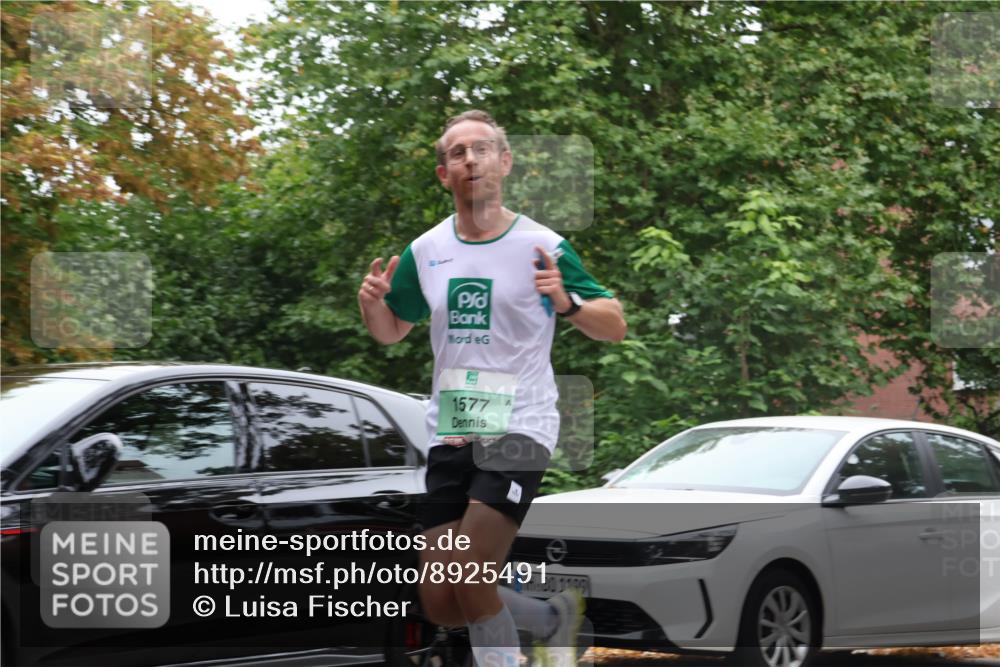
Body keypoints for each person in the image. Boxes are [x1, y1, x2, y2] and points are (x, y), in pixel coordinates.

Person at [358, 110, 626, 667]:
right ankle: (550, 617)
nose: (470, 160)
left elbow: (614, 323)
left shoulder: (542, 245)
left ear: (504, 162)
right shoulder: (426, 252)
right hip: (454, 426)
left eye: (482, 149)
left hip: (521, 423)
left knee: (471, 575)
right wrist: (372, 306)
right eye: (457, 153)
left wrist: (569, 303)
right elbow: (391, 332)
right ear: (443, 174)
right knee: (441, 601)